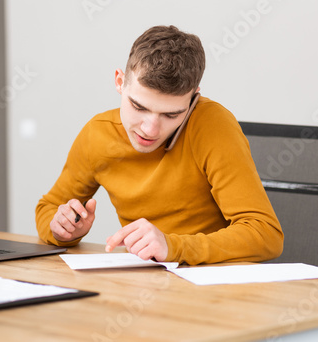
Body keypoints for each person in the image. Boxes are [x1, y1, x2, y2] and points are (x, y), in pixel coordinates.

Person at [36, 25, 283, 265]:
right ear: (120, 82)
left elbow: (265, 234)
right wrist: (62, 229)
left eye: (171, 115)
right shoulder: (98, 134)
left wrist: (173, 247)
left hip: (211, 289)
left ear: (194, 98)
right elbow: (48, 209)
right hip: (143, 284)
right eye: (139, 107)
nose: (149, 130)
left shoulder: (212, 124)